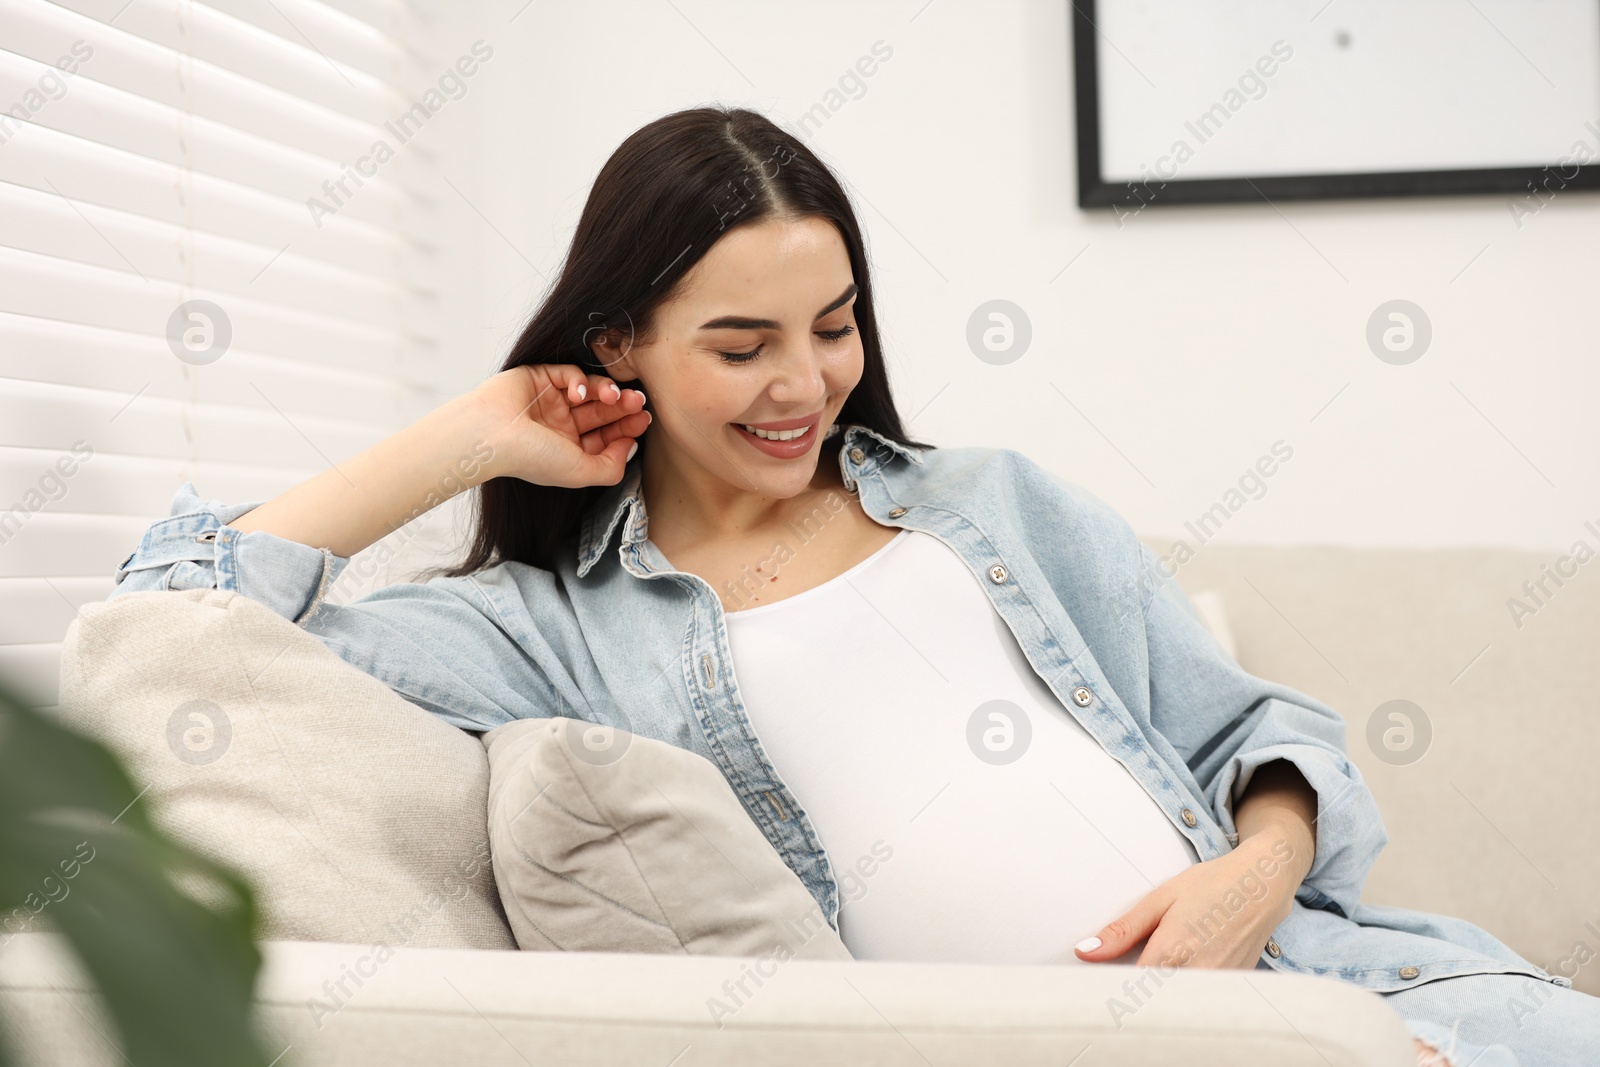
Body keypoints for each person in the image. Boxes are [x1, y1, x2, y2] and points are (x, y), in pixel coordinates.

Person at [110, 107, 1596, 1065]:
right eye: (740, 344)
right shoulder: (541, 633)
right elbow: (178, 617)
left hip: (1328, 993)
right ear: (618, 340)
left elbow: (1261, 737)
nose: (806, 383)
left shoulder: (991, 507)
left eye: (834, 326)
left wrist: (1245, 881)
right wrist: (464, 437)